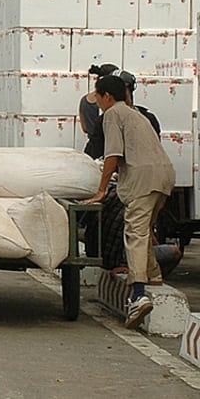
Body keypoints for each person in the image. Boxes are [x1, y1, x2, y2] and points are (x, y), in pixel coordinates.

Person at [83, 75, 175, 330]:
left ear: (107, 96)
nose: (97, 102)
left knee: (134, 231)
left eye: (98, 96)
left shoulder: (112, 115)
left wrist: (101, 190)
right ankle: (153, 274)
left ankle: (138, 295)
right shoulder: (137, 115)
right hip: (164, 175)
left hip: (143, 179)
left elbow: (113, 154)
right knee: (143, 230)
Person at [79, 63, 118, 154]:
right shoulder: (111, 101)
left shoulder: (84, 100)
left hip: (91, 148)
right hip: (108, 149)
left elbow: (84, 128)